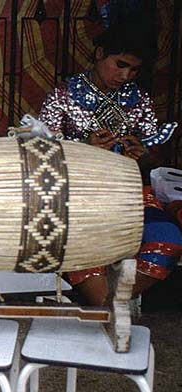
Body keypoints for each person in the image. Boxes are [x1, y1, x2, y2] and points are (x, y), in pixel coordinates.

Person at [37, 21, 182, 306]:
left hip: (129, 195)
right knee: (80, 244)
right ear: (100, 53)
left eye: (134, 69)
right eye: (120, 64)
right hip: (76, 197)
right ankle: (106, 301)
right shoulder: (63, 96)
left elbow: (154, 156)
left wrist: (142, 152)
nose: (126, 75)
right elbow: (42, 154)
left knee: (168, 236)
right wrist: (85, 148)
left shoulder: (139, 99)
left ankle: (112, 300)